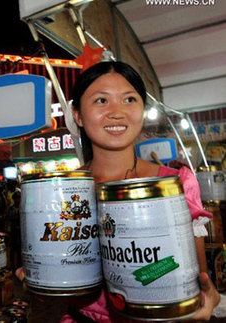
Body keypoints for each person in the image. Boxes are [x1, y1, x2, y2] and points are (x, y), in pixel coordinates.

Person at [17, 61, 220, 322]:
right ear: (77, 114)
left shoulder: (175, 182)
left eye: (129, 100)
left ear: (142, 110)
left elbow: (197, 280)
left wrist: (206, 302)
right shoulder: (62, 191)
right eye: (101, 100)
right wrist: (41, 280)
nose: (117, 112)